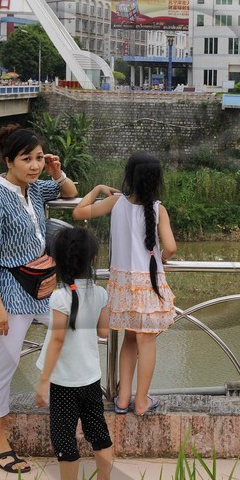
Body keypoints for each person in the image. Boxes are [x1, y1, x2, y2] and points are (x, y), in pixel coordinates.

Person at [0, 124, 79, 473]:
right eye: (26, 159)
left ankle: (57, 398)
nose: (34, 166)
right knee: (2, 364)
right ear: (8, 161)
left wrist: (56, 171)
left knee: (74, 329)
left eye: (38, 158)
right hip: (10, 290)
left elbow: (70, 191)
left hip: (42, 288)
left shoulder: (34, 189)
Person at [72, 152, 177, 417]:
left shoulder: (115, 202)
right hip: (148, 284)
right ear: (157, 180)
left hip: (121, 284)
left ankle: (122, 399)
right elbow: (171, 247)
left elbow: (78, 212)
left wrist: (98, 188)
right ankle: (141, 401)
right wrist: (162, 257)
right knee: (146, 341)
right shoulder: (158, 209)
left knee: (130, 339)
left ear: (129, 177)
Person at [33, 225, 116, 480]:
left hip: (64, 382)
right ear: (92, 260)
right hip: (90, 378)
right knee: (98, 433)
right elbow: (103, 332)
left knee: (64, 438)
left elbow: (57, 340)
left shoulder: (60, 297)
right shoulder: (100, 293)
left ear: (57, 261)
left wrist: (43, 381)